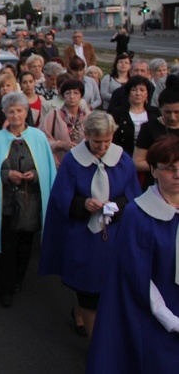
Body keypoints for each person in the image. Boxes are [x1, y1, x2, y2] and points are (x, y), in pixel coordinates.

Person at [39, 112, 141, 338]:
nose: (102, 147)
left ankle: (81, 312)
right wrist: (83, 203)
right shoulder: (73, 160)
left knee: (109, 288)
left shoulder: (122, 159)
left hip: (114, 234)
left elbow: (133, 194)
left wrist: (116, 206)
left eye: (107, 141)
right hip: (83, 234)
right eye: (96, 142)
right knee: (87, 288)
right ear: (86, 136)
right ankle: (96, 343)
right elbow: (60, 198)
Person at [86, 135, 179, 373]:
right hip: (155, 312)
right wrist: (171, 320)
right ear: (153, 171)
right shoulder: (139, 214)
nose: (177, 175)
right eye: (169, 168)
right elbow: (136, 277)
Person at [0, 92, 57, 307]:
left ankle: (19, 279)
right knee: (8, 246)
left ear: (26, 112)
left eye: (19, 110)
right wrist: (7, 174)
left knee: (25, 245)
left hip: (31, 201)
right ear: (4, 113)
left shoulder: (38, 137)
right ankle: (6, 287)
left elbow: (46, 168)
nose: (15, 115)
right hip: (6, 203)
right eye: (11, 111)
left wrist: (35, 174)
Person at [133, 75, 179, 188]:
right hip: (156, 183)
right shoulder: (149, 128)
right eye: (167, 112)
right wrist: (164, 168)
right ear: (160, 109)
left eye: (177, 112)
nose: (172, 117)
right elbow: (137, 162)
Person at [40, 78, 90, 167]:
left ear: (81, 96)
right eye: (68, 93)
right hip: (59, 164)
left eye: (76, 93)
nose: (72, 96)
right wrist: (61, 144)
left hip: (85, 163)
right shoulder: (53, 115)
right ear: (63, 96)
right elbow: (41, 140)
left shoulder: (89, 117)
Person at [109, 76, 159, 157]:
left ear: (147, 93)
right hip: (123, 154)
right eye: (134, 90)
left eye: (142, 90)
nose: (138, 93)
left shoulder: (155, 112)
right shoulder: (117, 113)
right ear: (128, 93)